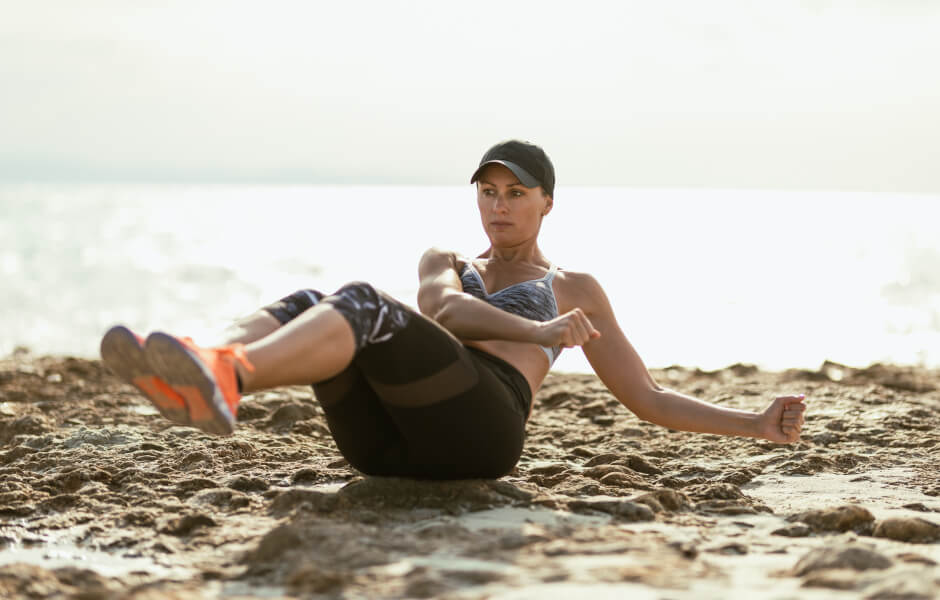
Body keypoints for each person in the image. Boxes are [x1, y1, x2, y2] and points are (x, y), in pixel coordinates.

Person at [100, 140, 807, 479]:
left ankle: (227, 377)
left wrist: (754, 424)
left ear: (547, 202)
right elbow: (445, 314)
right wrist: (536, 329)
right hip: (386, 448)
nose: (499, 205)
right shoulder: (447, 262)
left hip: (482, 436)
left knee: (360, 304)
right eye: (489, 191)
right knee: (315, 301)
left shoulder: (576, 286)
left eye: (516, 193)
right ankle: (203, 362)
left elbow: (646, 395)